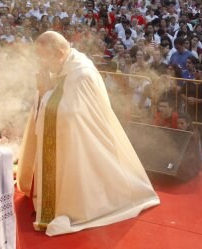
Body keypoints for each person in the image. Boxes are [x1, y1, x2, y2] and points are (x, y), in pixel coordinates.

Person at [16, 31, 159, 236]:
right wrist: (45, 93)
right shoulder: (63, 64)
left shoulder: (80, 73)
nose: (41, 62)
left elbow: (70, 115)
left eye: (43, 56)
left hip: (87, 140)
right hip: (70, 136)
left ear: (58, 52)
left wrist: (46, 91)